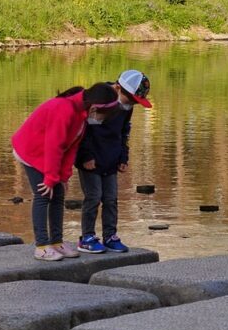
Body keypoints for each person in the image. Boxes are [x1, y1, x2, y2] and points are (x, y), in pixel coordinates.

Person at [11, 83, 119, 261]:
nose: (101, 120)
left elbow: (70, 148)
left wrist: (63, 176)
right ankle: (42, 246)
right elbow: (54, 145)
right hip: (31, 150)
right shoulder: (64, 110)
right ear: (94, 107)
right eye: (102, 115)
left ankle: (56, 241)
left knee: (59, 194)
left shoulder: (81, 115)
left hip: (46, 153)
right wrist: (50, 177)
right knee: (43, 193)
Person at [75, 70, 152, 254]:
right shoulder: (98, 99)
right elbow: (82, 132)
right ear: (118, 88)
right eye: (130, 99)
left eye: (135, 102)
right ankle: (87, 237)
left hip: (111, 158)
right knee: (93, 197)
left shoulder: (127, 107)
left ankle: (110, 235)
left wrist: (123, 157)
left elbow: (124, 131)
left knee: (111, 198)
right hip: (90, 160)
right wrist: (85, 157)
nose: (131, 104)